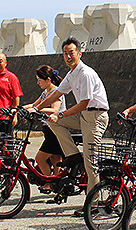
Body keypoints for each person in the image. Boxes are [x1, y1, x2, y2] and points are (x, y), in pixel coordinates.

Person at [40, 37, 110, 203]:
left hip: (95, 116)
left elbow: (85, 103)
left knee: (90, 161)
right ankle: (72, 155)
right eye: (65, 53)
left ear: (79, 53)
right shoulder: (72, 74)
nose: (68, 56)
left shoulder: (85, 73)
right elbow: (56, 94)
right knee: (53, 122)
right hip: (84, 116)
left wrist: (61, 114)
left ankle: (92, 204)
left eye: (71, 53)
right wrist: (36, 108)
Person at [30, 65, 66, 175]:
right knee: (55, 158)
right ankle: (56, 181)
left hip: (56, 129)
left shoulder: (56, 92)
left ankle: (48, 182)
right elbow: (34, 105)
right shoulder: (45, 92)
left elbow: (54, 109)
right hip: (49, 129)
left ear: (48, 80)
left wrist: (36, 110)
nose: (38, 83)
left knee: (40, 159)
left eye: (40, 80)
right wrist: (17, 109)